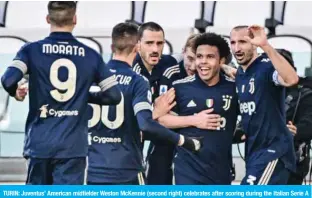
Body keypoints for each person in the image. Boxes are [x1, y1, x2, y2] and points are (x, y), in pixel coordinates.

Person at [1, 1, 122, 185]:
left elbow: (8, 80)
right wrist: (83, 96)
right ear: (75, 19)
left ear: (48, 19)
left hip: (39, 144)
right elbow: (114, 96)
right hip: (72, 147)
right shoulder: (91, 55)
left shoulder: (30, 51)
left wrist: (15, 92)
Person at [86, 22, 201, 185]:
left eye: (160, 43)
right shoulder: (137, 79)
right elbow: (144, 123)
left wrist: (225, 67)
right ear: (137, 46)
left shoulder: (96, 76)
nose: (155, 49)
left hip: (97, 164)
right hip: (127, 160)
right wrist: (156, 113)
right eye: (149, 43)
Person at [158, 32, 238, 184]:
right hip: (188, 172)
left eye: (210, 57)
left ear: (221, 61)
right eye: (199, 56)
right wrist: (194, 120)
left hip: (221, 172)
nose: (203, 62)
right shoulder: (180, 87)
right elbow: (160, 120)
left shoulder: (234, 87)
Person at [230, 25, 298, 185]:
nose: (237, 48)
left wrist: (265, 45)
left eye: (243, 42)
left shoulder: (267, 67)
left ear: (254, 43)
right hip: (254, 152)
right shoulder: (240, 73)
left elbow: (291, 79)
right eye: (233, 43)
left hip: (274, 151)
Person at [275, 49, 312, 185]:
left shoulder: (304, 93)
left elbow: (309, 124)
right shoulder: (259, 92)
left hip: (292, 164)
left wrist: (296, 130)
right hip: (259, 161)